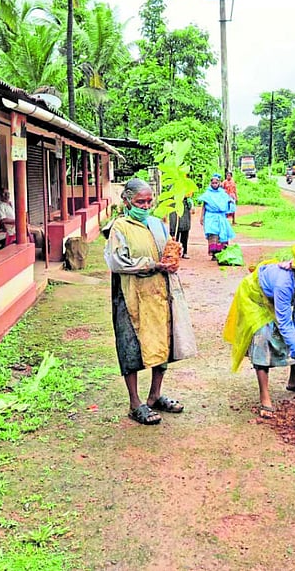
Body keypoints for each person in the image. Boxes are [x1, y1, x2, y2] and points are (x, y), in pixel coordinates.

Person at [104, 178, 197, 425]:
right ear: (126, 202)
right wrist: (151, 265)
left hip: (159, 295)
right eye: (139, 202)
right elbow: (117, 262)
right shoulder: (119, 228)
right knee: (130, 347)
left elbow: (167, 252)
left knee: (162, 344)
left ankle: (155, 395)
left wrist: (172, 258)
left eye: (148, 201)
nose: (145, 206)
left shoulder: (158, 224)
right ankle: (135, 402)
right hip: (131, 295)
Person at [223, 241, 295, 418]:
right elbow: (284, 323)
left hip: (275, 299)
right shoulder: (284, 283)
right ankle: (265, 397)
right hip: (255, 297)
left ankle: (293, 381)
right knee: (263, 337)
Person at [199, 174, 236, 260]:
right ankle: (214, 253)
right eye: (213, 183)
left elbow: (227, 201)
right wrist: (202, 217)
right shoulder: (207, 194)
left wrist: (231, 202)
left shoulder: (222, 193)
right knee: (213, 234)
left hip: (221, 217)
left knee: (222, 234)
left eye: (216, 183)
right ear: (211, 183)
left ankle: (221, 253)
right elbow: (204, 205)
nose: (215, 184)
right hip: (210, 216)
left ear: (219, 183)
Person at [167, 194, 193, 259]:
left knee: (184, 235)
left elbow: (191, 206)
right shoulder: (172, 194)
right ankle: (174, 253)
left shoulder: (187, 198)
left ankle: (184, 252)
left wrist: (189, 202)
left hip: (185, 215)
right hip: (174, 215)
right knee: (174, 236)